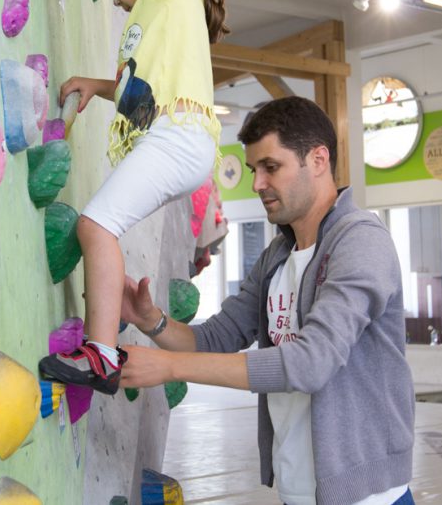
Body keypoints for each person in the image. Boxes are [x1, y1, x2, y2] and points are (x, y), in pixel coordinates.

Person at [120, 97, 415, 505]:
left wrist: (169, 367)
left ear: (318, 159)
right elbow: (217, 337)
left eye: (270, 167)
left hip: (367, 497)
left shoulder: (360, 240)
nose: (257, 183)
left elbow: (312, 363)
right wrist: (150, 319)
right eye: (253, 170)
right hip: (300, 490)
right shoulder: (277, 255)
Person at [37, 0, 227, 395]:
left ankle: (101, 355)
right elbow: (138, 95)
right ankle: (101, 348)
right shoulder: (151, 20)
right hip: (169, 137)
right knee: (102, 225)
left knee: (97, 225)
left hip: (180, 138)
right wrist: (96, 87)